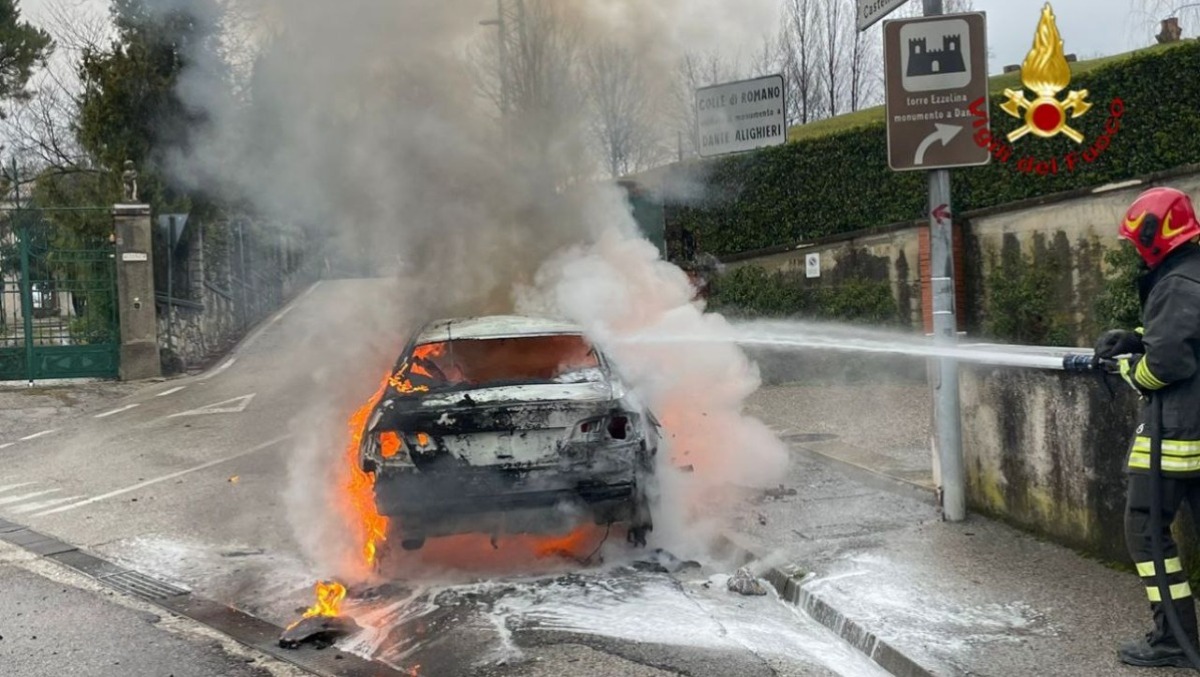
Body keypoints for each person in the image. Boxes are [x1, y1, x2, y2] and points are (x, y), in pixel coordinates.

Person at [1095, 186, 1200, 668]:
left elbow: (1171, 362)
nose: (1135, 247)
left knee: (1144, 527)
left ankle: (1174, 638)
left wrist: (1129, 371)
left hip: (1179, 433)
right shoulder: (1190, 274)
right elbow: (1183, 335)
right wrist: (1135, 336)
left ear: (1156, 234)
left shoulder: (1177, 283)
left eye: (1138, 238)